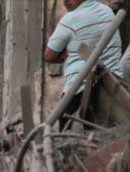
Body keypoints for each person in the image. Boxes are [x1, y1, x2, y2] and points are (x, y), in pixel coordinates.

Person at [45, 0, 123, 128]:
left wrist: (61, 54)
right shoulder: (107, 11)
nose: (65, 1)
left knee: (66, 132)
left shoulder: (70, 19)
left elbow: (49, 55)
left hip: (79, 87)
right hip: (113, 86)